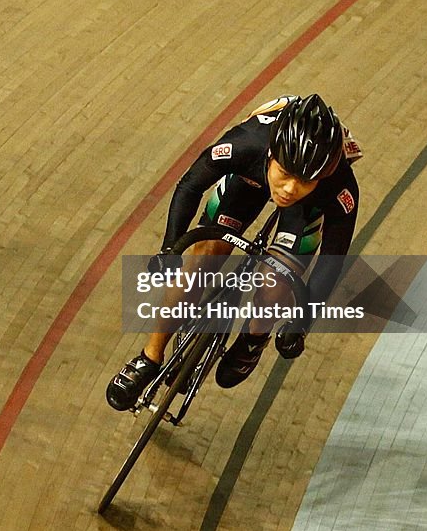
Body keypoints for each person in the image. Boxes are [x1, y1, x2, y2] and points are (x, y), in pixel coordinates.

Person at [106, 94, 363, 410]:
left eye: (304, 181)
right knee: (200, 260)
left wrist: (300, 324)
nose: (289, 189)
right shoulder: (246, 145)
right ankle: (150, 356)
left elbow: (333, 259)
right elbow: (189, 186)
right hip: (250, 180)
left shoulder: (338, 186)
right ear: (272, 154)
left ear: (323, 175)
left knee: (276, 283)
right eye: (284, 174)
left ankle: (255, 337)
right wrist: (170, 249)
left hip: (306, 211)